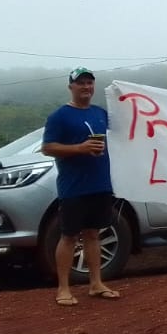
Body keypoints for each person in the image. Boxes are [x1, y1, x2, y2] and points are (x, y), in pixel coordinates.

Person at [42, 67, 119, 306]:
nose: (86, 87)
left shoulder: (100, 113)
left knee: (94, 234)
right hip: (73, 187)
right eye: (81, 83)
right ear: (71, 87)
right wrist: (79, 149)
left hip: (101, 184)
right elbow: (47, 148)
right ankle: (63, 288)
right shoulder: (59, 116)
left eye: (89, 83)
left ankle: (96, 283)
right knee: (68, 236)